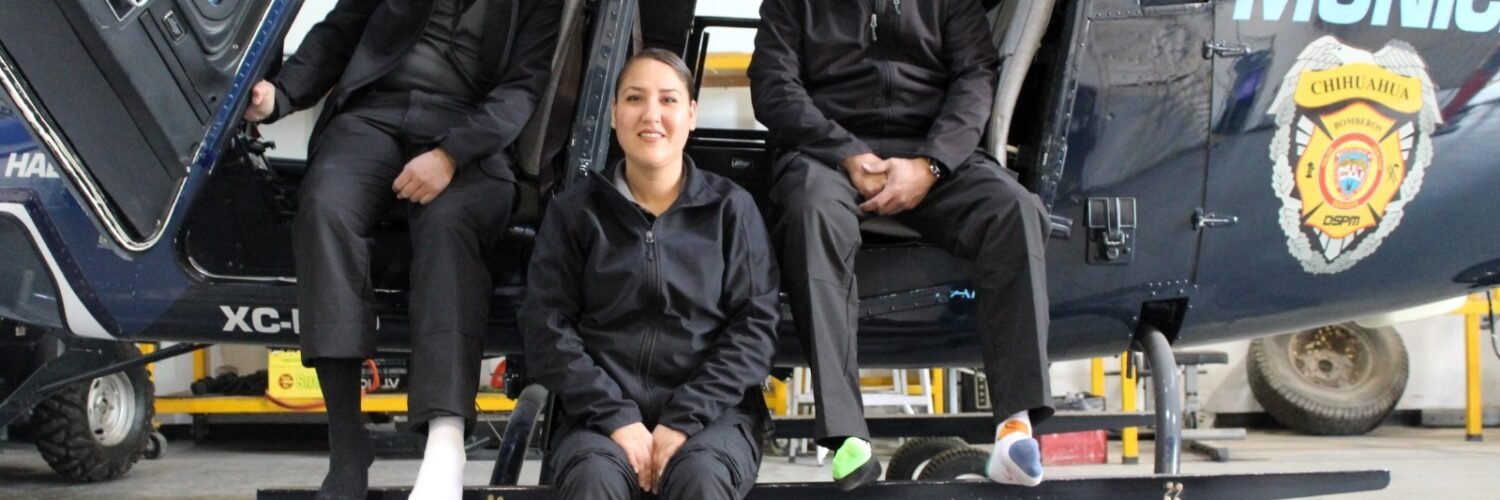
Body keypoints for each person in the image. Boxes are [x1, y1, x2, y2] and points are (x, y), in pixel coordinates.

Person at [241, 0, 561, 497]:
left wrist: (451, 155)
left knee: (449, 221)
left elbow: (522, 88)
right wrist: (279, 96)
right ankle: (347, 444)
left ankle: (445, 444)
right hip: (372, 115)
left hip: (468, 128)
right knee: (325, 209)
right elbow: (341, 30)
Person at [748, 0, 1053, 489]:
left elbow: (975, 76)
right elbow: (773, 83)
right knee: (810, 213)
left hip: (932, 153)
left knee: (1015, 210)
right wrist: (847, 154)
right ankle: (847, 436)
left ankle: (1014, 427)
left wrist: (932, 163)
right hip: (827, 155)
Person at [520, 49, 779, 500]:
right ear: (614, 113)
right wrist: (616, 418)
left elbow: (754, 329)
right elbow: (547, 326)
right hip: (597, 420)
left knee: (701, 478)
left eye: (668, 100)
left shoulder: (731, 210)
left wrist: (683, 420)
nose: (651, 115)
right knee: (593, 481)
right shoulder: (575, 212)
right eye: (635, 98)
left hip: (713, 417)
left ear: (692, 114)